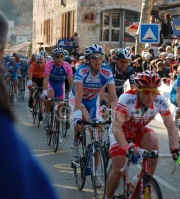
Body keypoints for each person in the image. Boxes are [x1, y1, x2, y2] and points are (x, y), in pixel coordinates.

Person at [0, 10, 59, 199]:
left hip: (41, 80)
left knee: (32, 86)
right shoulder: (30, 65)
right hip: (31, 77)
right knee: (21, 82)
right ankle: (30, 98)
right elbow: (27, 75)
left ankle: (30, 99)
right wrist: (30, 86)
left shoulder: (37, 65)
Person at [105, 70, 179, 199]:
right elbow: (116, 126)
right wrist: (126, 147)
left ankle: (143, 180)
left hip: (139, 131)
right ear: (138, 91)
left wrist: (175, 148)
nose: (150, 97)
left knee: (153, 145)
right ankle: (107, 197)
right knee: (118, 170)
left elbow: (171, 127)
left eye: (154, 92)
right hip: (121, 132)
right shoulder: (126, 98)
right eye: (146, 92)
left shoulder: (160, 101)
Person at [70, 44, 118, 186]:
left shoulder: (107, 72)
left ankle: (96, 173)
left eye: (100, 57)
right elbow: (78, 95)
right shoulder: (82, 71)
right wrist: (77, 116)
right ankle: (75, 143)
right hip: (78, 99)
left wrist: (116, 117)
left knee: (98, 134)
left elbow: (114, 96)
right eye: (94, 57)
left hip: (92, 100)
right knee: (84, 119)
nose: (98, 60)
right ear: (88, 60)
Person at [41, 47, 74, 143]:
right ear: (54, 58)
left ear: (63, 57)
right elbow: (46, 79)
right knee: (50, 96)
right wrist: (44, 92)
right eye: (57, 57)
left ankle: (57, 132)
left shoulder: (67, 66)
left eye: (61, 57)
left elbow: (71, 81)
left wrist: (71, 93)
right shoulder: (49, 64)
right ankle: (46, 114)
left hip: (60, 86)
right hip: (51, 84)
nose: (59, 59)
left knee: (60, 108)